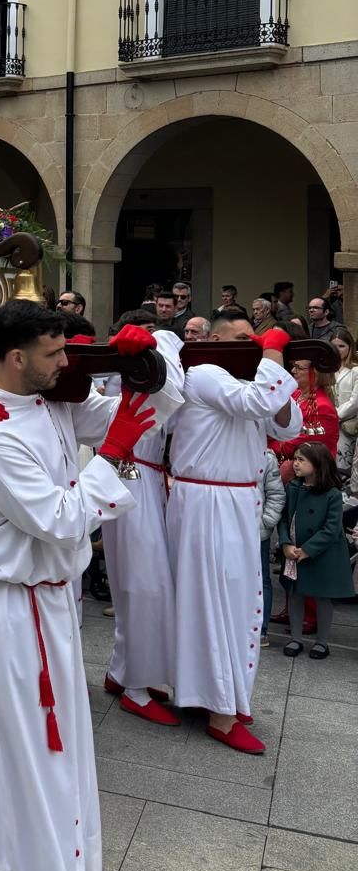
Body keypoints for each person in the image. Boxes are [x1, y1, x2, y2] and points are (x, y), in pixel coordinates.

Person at [0, 302, 161, 871]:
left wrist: (145, 364)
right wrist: (117, 454)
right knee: (24, 756)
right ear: (16, 358)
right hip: (8, 607)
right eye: (54, 353)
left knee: (60, 751)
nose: (67, 365)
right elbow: (59, 517)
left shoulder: (53, 401)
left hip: (50, 603)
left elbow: (159, 405)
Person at [167, 312, 301, 754]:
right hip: (208, 501)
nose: (254, 346)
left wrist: (277, 368)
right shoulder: (205, 374)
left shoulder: (251, 383)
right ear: (217, 340)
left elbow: (286, 424)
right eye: (244, 339)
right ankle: (220, 711)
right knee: (217, 601)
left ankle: (218, 696)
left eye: (258, 339)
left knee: (239, 602)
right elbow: (256, 404)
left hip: (238, 500)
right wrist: (275, 352)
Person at [99, 316, 186, 723]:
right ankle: (135, 686)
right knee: (141, 583)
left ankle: (122, 668)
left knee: (141, 581)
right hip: (127, 476)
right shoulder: (115, 381)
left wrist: (162, 340)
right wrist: (161, 341)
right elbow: (168, 391)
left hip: (144, 477)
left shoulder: (139, 374)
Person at [278, 442, 351, 660]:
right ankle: (296, 638)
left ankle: (322, 642)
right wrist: (285, 543)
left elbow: (332, 528)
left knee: (322, 597)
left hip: (321, 553)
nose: (296, 464)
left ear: (317, 465)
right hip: (294, 550)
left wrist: (308, 550)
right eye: (295, 459)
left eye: (301, 460)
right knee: (295, 593)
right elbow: (283, 519)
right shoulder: (293, 488)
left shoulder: (332, 494)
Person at [271, 361, 339, 482]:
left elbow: (295, 446)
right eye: (294, 366)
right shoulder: (296, 394)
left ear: (315, 374)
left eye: (299, 368)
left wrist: (263, 446)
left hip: (312, 478)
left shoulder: (323, 407)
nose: (293, 370)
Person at [258, 447, 285, 647]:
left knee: (261, 580)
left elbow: (276, 494)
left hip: (257, 532)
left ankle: (261, 629)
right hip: (228, 529)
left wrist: (266, 522)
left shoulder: (266, 456)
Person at [329, 328, 358, 489]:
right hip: (330, 421)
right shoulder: (328, 369)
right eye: (334, 346)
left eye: (342, 346)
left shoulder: (355, 370)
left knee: (346, 461)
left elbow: (355, 401)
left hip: (348, 423)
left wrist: (336, 414)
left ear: (350, 348)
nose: (338, 350)